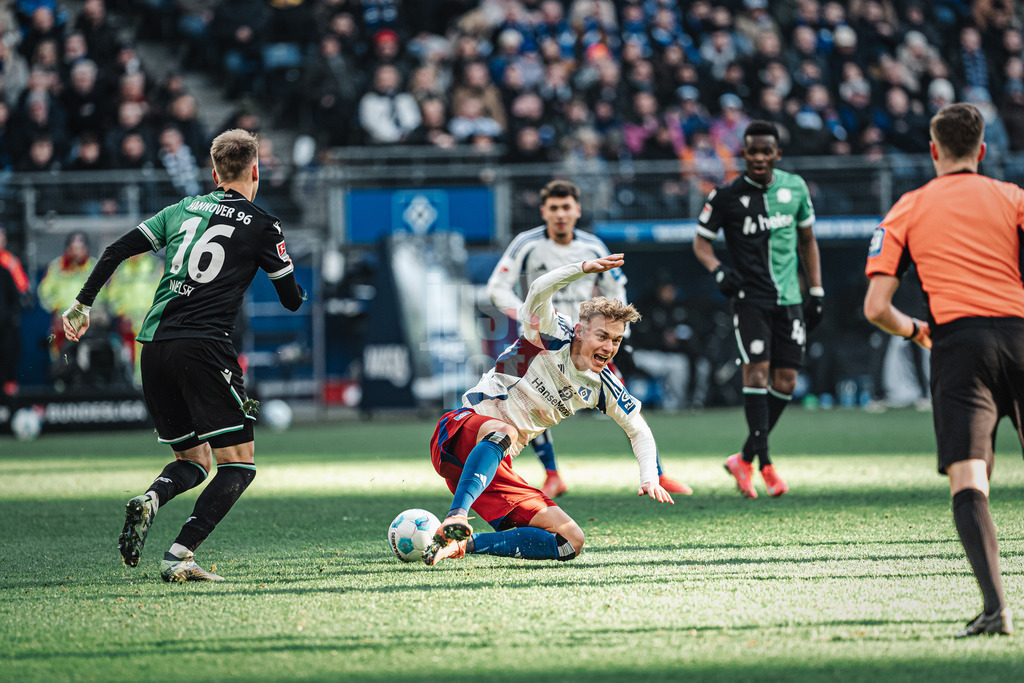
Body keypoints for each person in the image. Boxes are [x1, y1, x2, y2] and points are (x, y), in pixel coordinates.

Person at [61, 129, 305, 582]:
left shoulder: (182, 209)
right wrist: (294, 282)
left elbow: (116, 250)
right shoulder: (263, 225)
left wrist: (82, 304)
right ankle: (179, 554)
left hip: (153, 348)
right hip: (206, 348)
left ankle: (151, 499)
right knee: (239, 464)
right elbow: (290, 299)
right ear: (256, 171)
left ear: (213, 173)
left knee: (193, 461)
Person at [863, 102, 1020, 638]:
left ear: (933, 150)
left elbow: (876, 307)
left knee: (969, 479)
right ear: (982, 151)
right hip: (1021, 334)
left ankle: (997, 610)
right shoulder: (1013, 197)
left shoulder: (907, 207)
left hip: (958, 343)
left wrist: (917, 331)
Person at [424, 255, 675, 566]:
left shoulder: (602, 386)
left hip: (491, 469)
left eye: (616, 340)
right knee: (505, 431)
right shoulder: (549, 332)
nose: (609, 347)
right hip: (460, 431)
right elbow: (540, 288)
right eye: (602, 336)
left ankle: (461, 544)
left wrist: (649, 476)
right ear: (581, 331)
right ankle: (456, 516)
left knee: (570, 541)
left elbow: (639, 429)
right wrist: (581, 269)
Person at [486, 180, 691, 498]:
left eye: (566, 207)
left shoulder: (593, 247)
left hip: (585, 341)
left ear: (577, 210)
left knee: (622, 402)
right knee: (521, 399)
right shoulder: (526, 243)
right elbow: (497, 287)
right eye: (553, 208)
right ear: (543, 212)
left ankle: (657, 474)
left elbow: (615, 289)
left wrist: (620, 330)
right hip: (541, 338)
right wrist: (524, 315)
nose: (560, 214)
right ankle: (550, 473)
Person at [692, 120, 823, 499]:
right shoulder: (726, 195)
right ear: (744, 154)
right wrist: (719, 272)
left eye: (768, 151)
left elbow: (808, 240)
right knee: (757, 371)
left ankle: (742, 458)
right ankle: (765, 464)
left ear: (777, 154)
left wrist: (815, 290)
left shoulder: (795, 188)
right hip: (750, 300)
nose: (760, 158)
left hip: (790, 301)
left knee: (786, 383)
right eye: (753, 151)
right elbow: (701, 244)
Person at [0, 226, 30, 396]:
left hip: (6, 321)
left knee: (9, 354)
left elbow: (22, 288)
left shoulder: (10, 261)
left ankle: (10, 394)